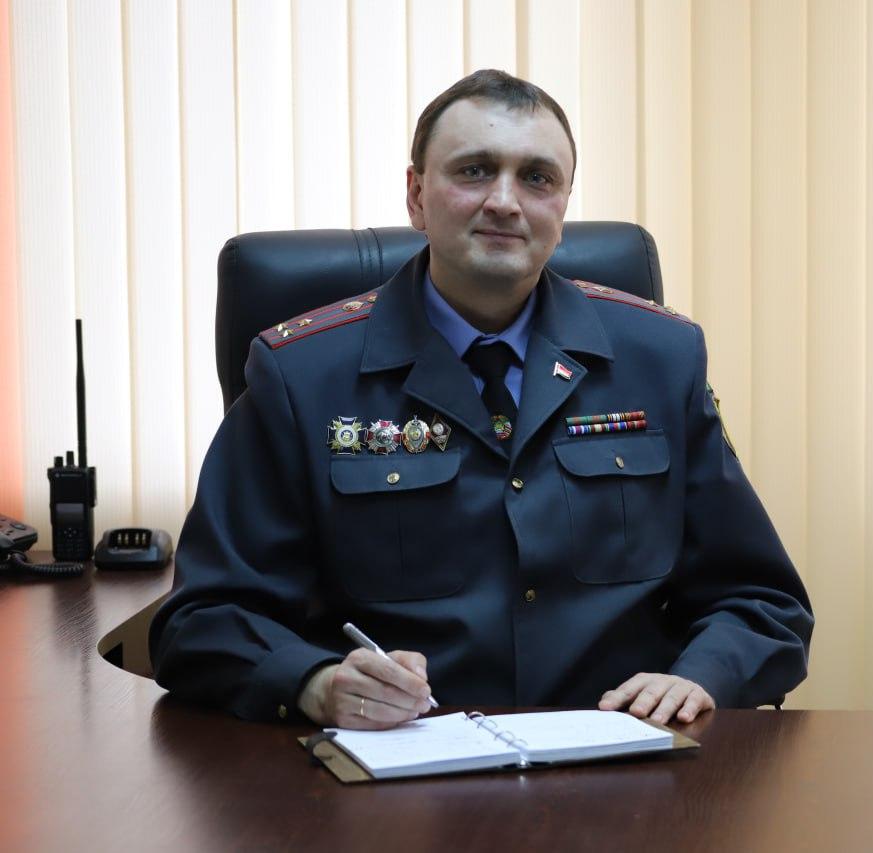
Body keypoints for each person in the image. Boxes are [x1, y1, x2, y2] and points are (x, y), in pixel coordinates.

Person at [149, 70, 813, 730]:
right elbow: (202, 620)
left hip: (620, 756)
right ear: (416, 195)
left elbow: (761, 601)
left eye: (537, 178)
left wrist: (698, 677)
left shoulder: (660, 358)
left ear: (563, 205)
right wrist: (315, 683)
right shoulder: (302, 374)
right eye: (474, 171)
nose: (504, 201)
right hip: (399, 768)